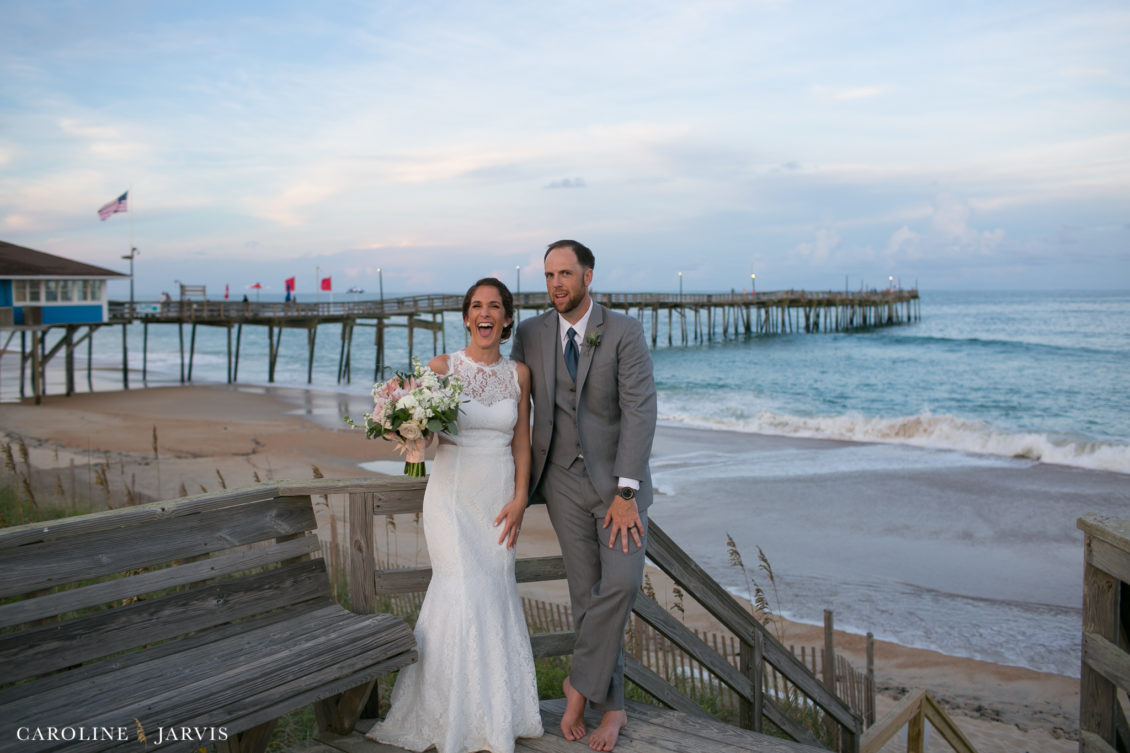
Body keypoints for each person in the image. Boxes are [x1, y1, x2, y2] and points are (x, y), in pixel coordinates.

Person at [366, 277, 543, 753]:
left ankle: (494, 716)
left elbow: (521, 440)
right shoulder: (443, 368)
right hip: (451, 497)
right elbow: (429, 440)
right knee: (460, 590)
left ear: (507, 318)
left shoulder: (519, 374)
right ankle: (449, 717)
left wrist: (522, 496)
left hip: (499, 497)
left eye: (495, 307)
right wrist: (413, 436)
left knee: (494, 593)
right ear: (466, 317)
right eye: (476, 306)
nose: (485, 314)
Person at [510, 240, 657, 752]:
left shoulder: (623, 332)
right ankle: (610, 708)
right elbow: (512, 404)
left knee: (620, 583)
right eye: (549, 275)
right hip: (562, 483)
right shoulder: (529, 334)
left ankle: (579, 685)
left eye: (565, 274)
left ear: (588, 277)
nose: (556, 284)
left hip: (618, 487)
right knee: (584, 595)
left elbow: (640, 412)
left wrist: (626, 491)